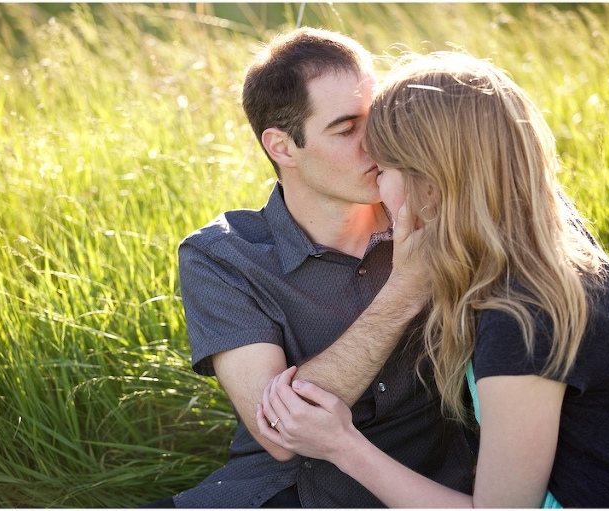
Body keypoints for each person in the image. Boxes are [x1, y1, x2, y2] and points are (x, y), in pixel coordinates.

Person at [256, 51, 609, 508]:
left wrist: (342, 446)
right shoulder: (541, 254)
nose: (378, 188)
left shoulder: (523, 312)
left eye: (384, 170)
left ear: (430, 182)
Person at [147, 29, 474, 507]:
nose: (378, 144)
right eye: (346, 130)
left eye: (376, 119)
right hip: (280, 493)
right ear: (281, 147)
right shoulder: (223, 257)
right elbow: (279, 432)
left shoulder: (435, 215)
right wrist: (405, 291)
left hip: (429, 488)